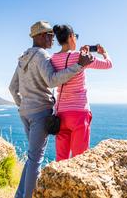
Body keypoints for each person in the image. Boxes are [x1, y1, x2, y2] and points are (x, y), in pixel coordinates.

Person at [9, 20, 94, 198]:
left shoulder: (23, 57)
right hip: (40, 111)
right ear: (40, 36)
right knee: (36, 158)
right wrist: (78, 66)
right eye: (49, 36)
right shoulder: (42, 56)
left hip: (25, 112)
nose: (52, 40)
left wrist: (22, 105)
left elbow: (12, 87)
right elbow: (52, 80)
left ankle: (19, 195)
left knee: (32, 156)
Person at [51, 24, 112, 162]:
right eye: (75, 36)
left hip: (60, 115)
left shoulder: (52, 59)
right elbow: (108, 64)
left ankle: (58, 183)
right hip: (79, 113)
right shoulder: (81, 56)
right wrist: (104, 52)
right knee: (80, 158)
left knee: (61, 159)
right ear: (71, 36)